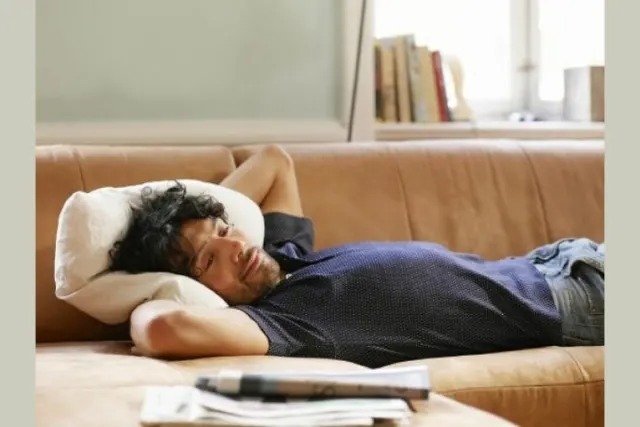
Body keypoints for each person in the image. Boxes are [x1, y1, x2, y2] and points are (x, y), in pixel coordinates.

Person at [109, 145, 605, 368]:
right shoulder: (287, 321)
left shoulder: (284, 257)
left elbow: (274, 162)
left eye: (225, 231)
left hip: (559, 260)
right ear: (194, 288)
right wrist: (150, 287)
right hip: (577, 302)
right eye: (206, 261)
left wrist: (184, 215)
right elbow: (163, 328)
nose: (235, 249)